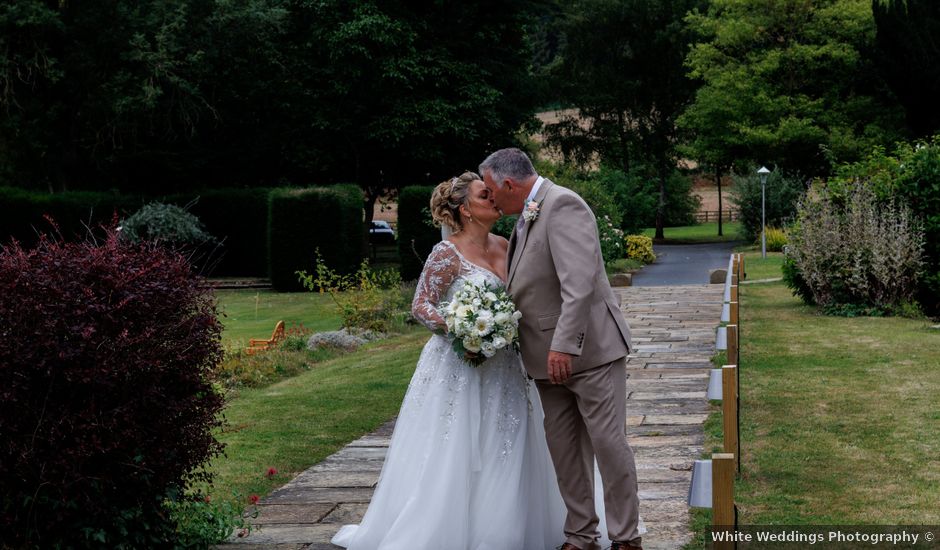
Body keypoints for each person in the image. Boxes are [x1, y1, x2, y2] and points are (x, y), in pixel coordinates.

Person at [330, 171, 567, 550]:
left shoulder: (507, 245)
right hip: (461, 365)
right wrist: (464, 331)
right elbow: (421, 304)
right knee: (457, 446)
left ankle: (504, 531)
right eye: (483, 194)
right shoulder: (447, 253)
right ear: (465, 210)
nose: (494, 198)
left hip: (506, 366)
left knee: (508, 440)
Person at [480, 148, 643, 550]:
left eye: (490, 190)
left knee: (608, 444)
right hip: (543, 361)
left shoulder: (563, 204)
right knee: (565, 450)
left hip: (588, 353)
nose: (490, 198)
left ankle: (626, 538)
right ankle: (581, 535)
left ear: (508, 184)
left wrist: (564, 346)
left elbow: (580, 283)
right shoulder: (524, 216)